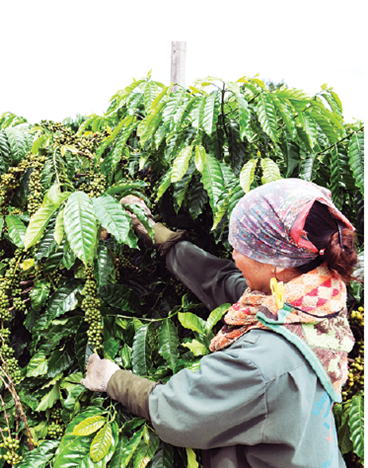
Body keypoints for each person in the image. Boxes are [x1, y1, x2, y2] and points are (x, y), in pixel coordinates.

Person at [82, 179, 358, 468]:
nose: (234, 255)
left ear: (276, 262)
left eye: (242, 248)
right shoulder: (317, 294)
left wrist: (112, 379)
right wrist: (154, 231)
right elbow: (222, 280)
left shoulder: (261, 361)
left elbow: (177, 409)